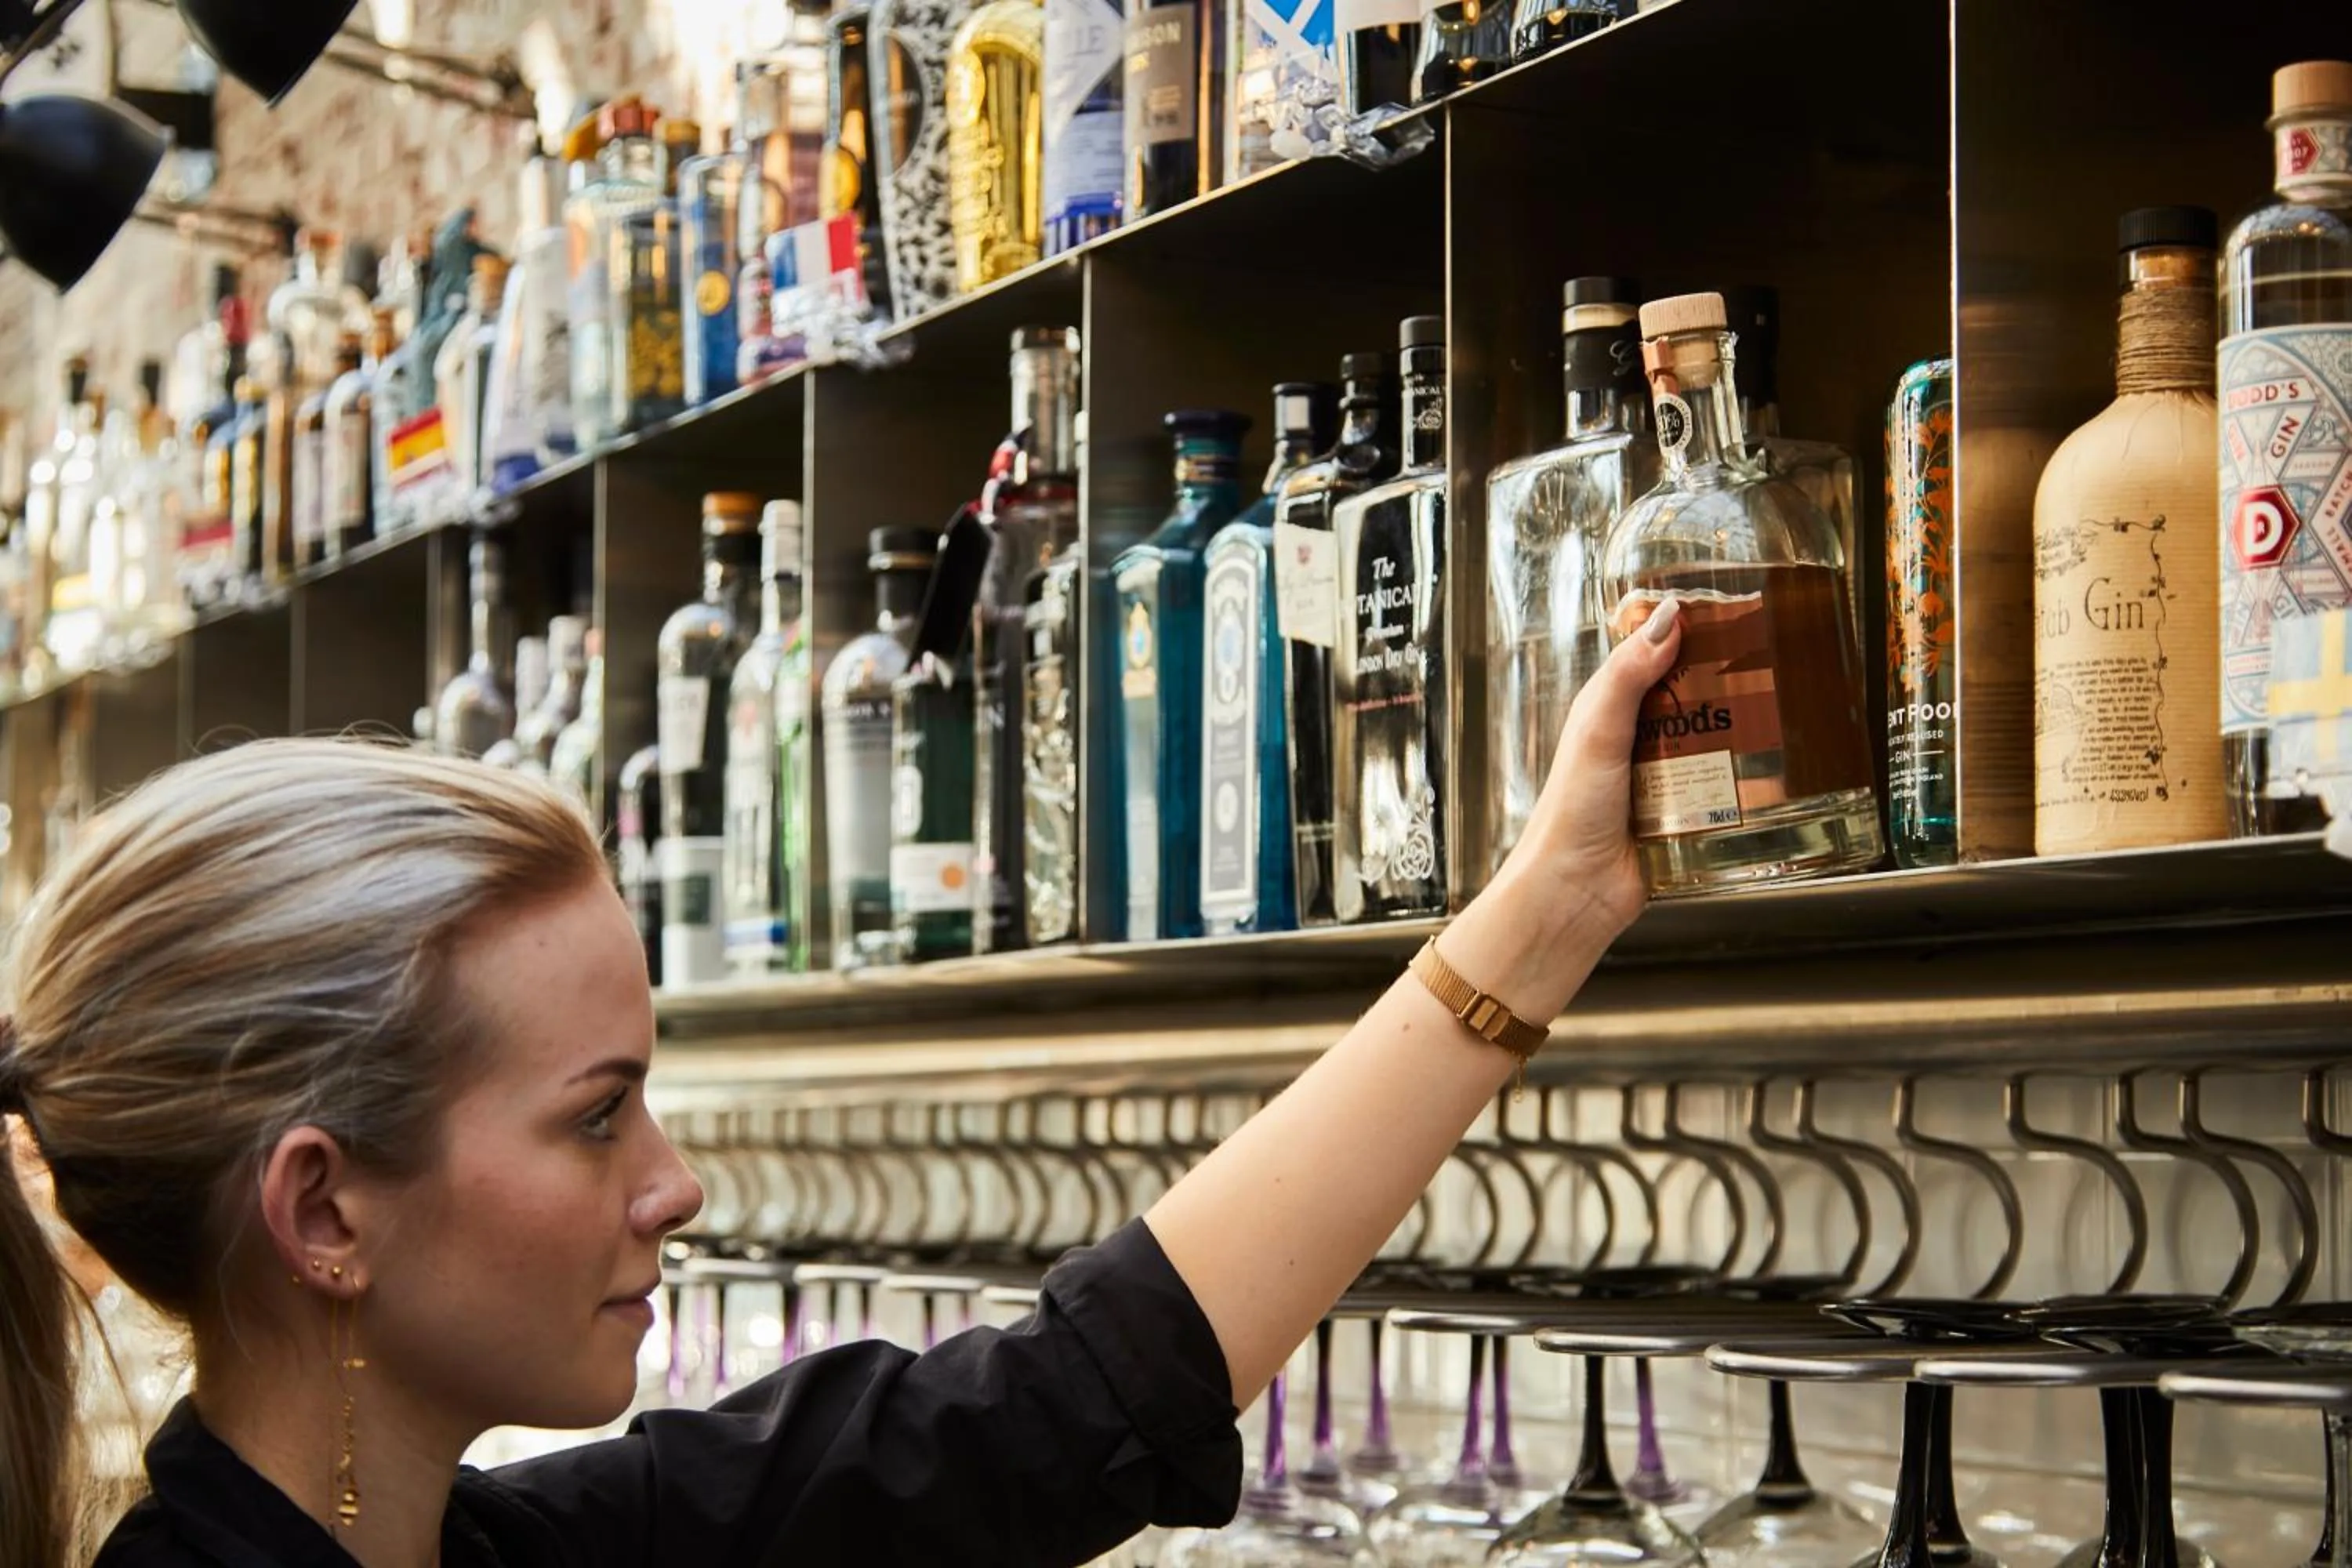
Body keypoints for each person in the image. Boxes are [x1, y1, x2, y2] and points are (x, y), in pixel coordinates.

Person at [0, 599, 1683, 1568]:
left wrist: (1551, 906)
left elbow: (1062, 1406)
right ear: (324, 1209)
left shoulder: (510, 1550)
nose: (676, 1183)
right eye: (597, 1115)